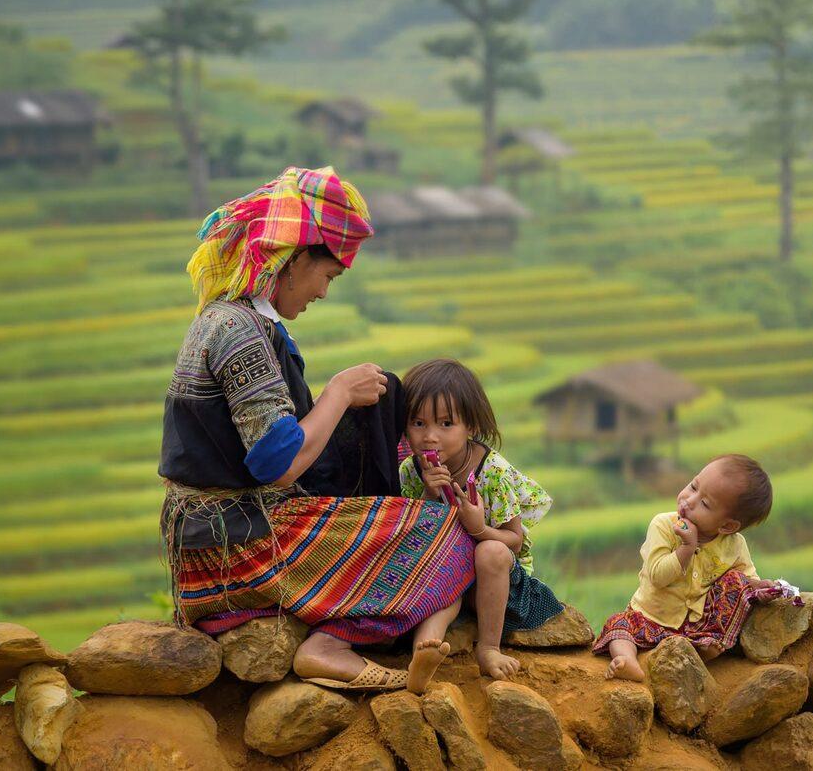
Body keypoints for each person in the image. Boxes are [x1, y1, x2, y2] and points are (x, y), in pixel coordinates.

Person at [159, 166, 472, 694]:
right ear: (295, 258)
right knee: (450, 536)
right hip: (235, 545)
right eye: (327, 276)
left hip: (224, 533)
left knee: (385, 397)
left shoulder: (238, 320)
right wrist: (337, 394)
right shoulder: (238, 330)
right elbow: (278, 464)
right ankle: (333, 645)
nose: (324, 292)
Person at [397, 359, 564, 680]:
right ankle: (423, 654)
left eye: (446, 424)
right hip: (448, 575)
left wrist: (479, 528)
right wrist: (431, 497)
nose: (430, 436)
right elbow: (415, 537)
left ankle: (488, 648)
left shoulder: (492, 472)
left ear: (471, 427)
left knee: (490, 550)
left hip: (497, 577)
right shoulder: (410, 471)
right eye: (418, 423)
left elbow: (514, 542)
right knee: (446, 573)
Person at [592, 454, 801, 682]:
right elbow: (658, 576)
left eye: (704, 504)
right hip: (649, 619)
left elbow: (746, 578)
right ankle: (627, 660)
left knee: (736, 581)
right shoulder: (663, 525)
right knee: (618, 624)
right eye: (693, 486)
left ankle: (704, 648)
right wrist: (686, 548)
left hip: (697, 627)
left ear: (727, 526)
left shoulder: (734, 544)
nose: (689, 500)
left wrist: (760, 586)